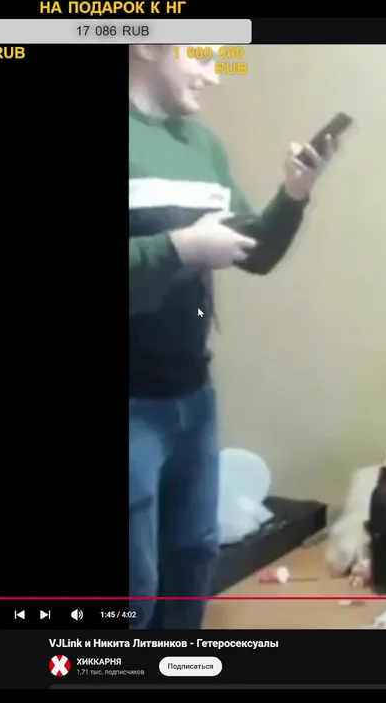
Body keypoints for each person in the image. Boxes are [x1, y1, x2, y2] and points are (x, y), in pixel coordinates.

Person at [128, 44, 339, 629]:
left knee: (193, 556)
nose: (216, 76)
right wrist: (179, 248)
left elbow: (255, 253)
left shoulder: (203, 146)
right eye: (202, 56)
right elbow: (185, 250)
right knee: (133, 585)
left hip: (193, 397)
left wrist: (294, 193)